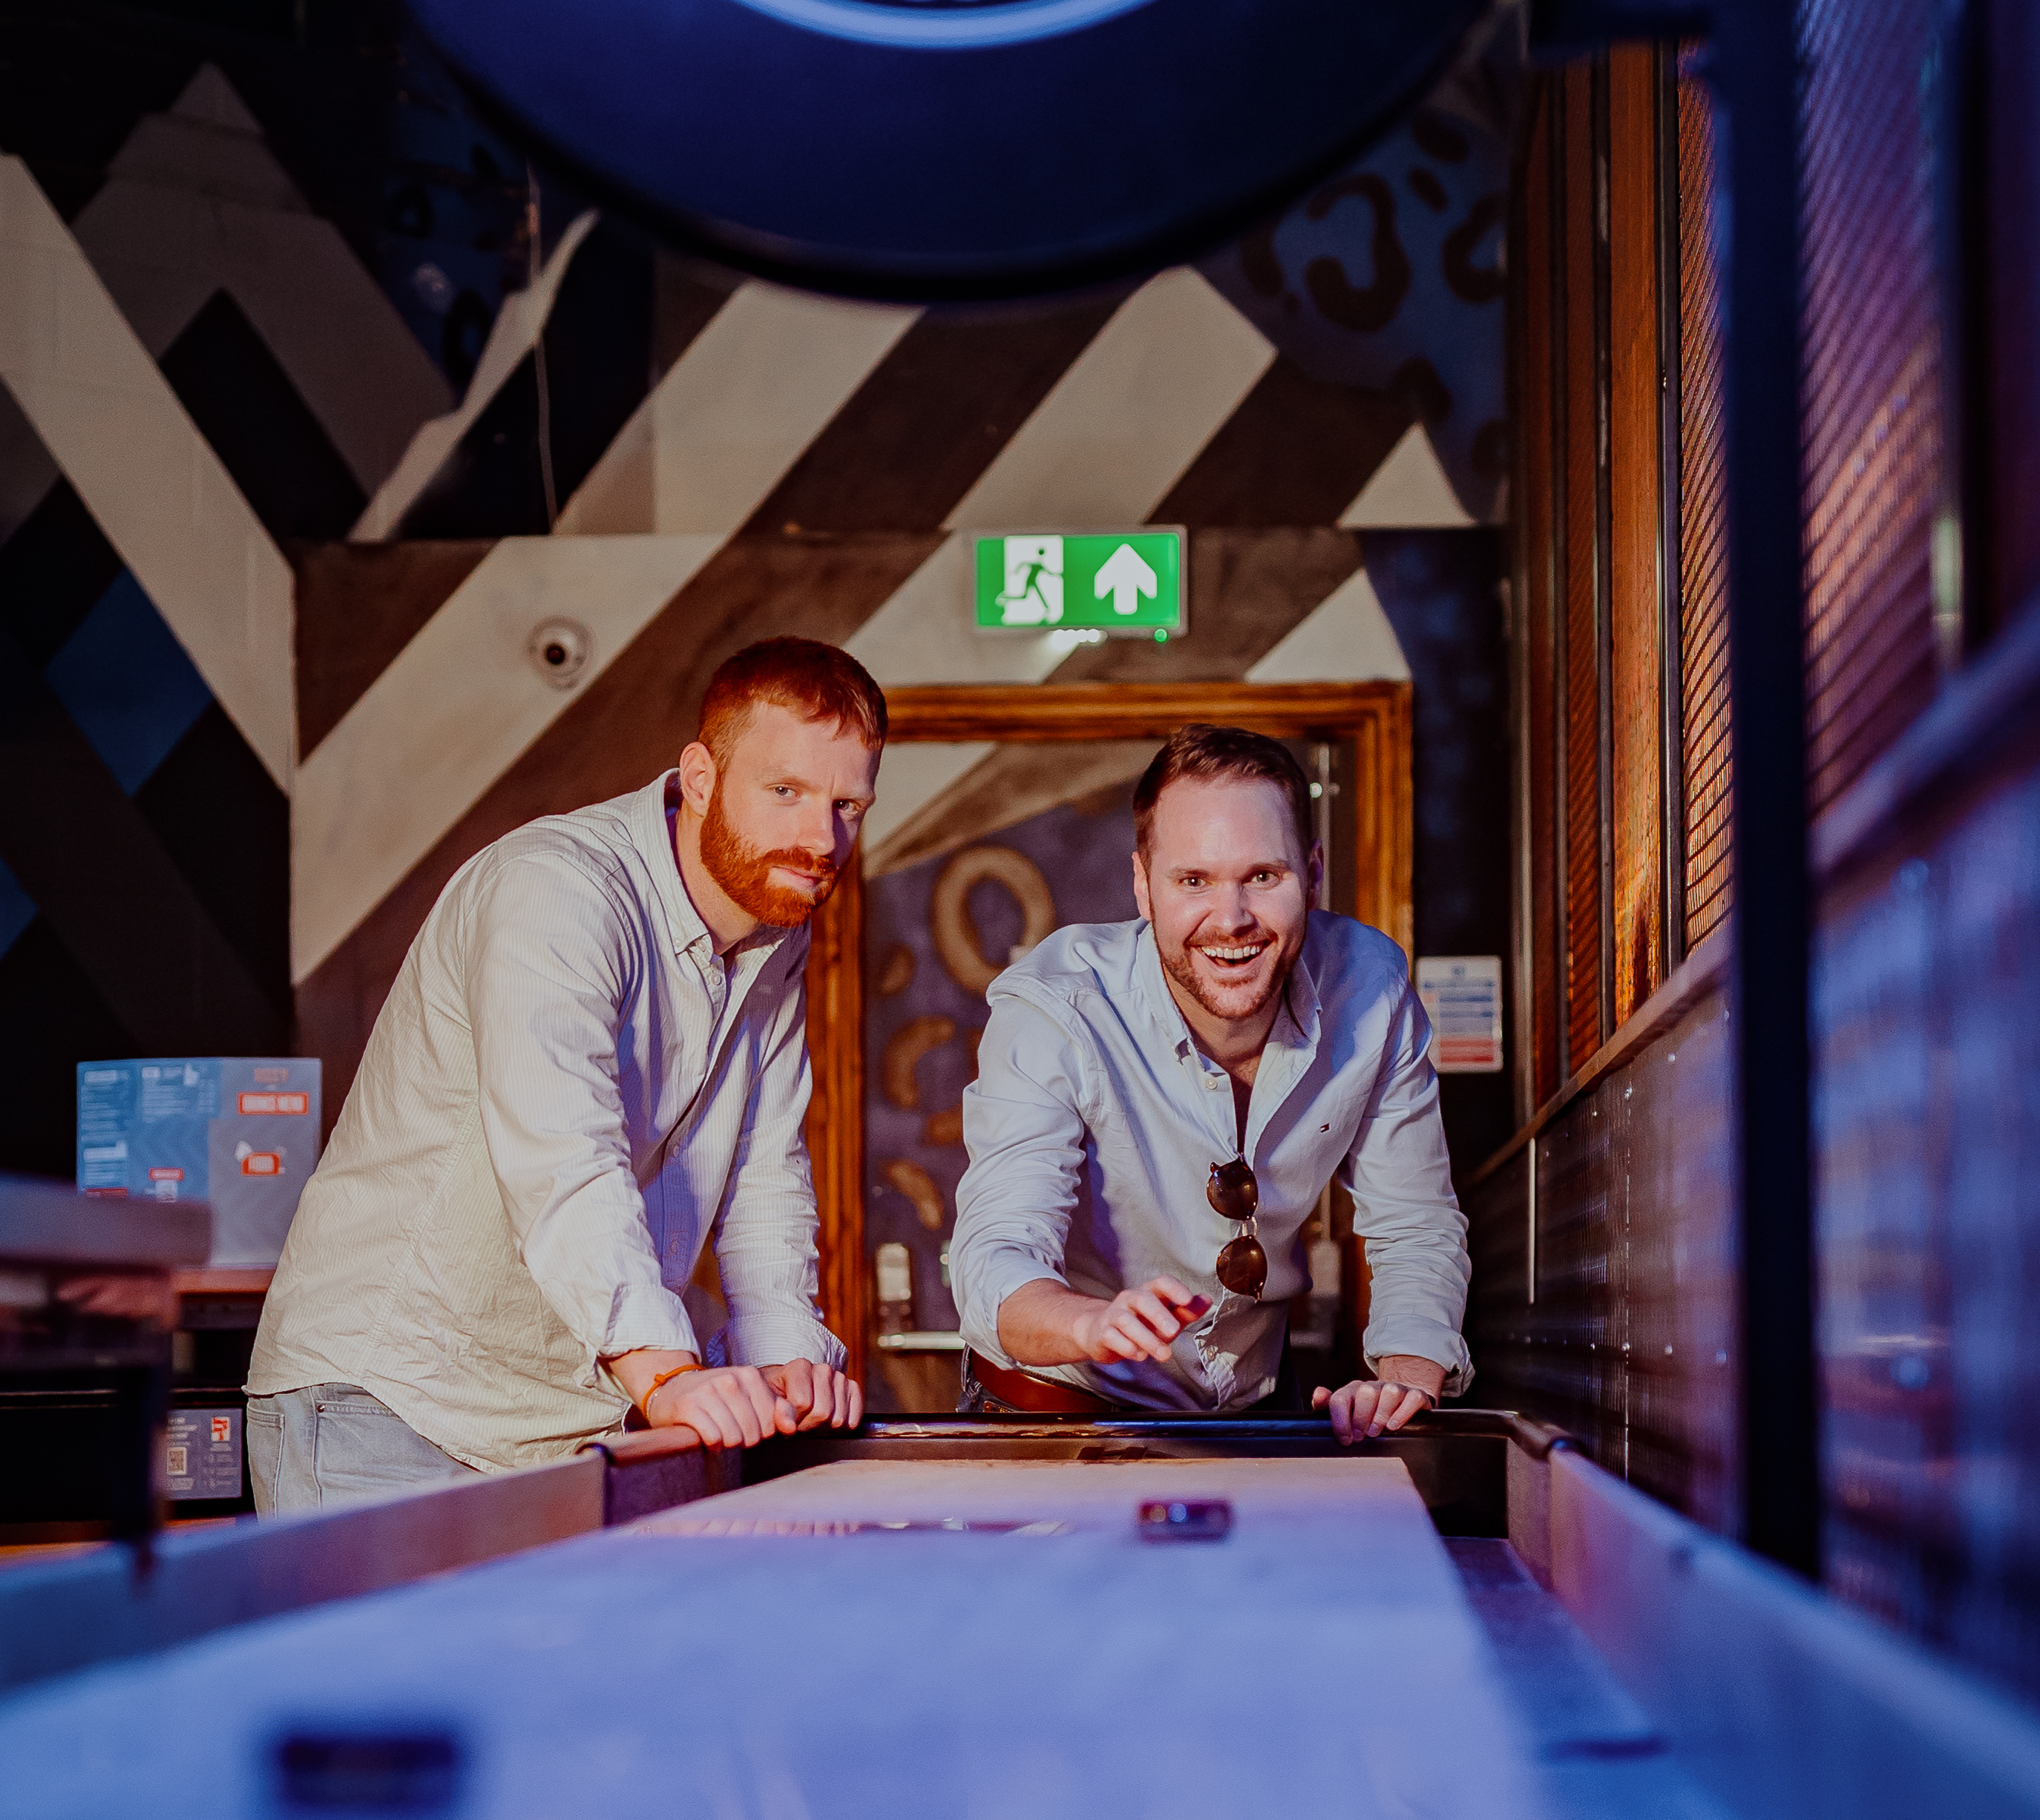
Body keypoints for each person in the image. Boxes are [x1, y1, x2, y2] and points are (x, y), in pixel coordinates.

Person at [246, 638, 885, 1509]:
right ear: (701, 776)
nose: (821, 838)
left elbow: (764, 1168)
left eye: (848, 803)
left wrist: (785, 1361)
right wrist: (667, 1374)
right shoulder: (557, 890)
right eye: (786, 791)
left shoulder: (776, 933)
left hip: (560, 1431)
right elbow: (564, 1156)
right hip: (387, 1403)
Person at [948, 725, 1471, 1437]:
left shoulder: (1370, 991)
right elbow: (997, 1250)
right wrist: (1091, 1322)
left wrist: (1405, 1380)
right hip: (1053, 1407)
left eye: (1263, 876)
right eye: (1193, 880)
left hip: (1249, 1406)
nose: (1231, 920)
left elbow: (1414, 1221)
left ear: (1312, 872)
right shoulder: (1054, 1006)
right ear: (1143, 885)